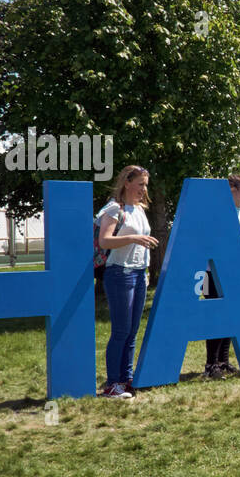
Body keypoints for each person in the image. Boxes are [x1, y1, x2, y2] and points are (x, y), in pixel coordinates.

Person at [96, 165, 159, 398]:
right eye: (141, 184)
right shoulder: (114, 209)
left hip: (139, 273)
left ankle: (126, 378)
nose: (144, 189)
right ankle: (113, 383)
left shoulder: (140, 209)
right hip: (119, 273)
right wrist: (133, 238)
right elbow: (104, 241)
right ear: (127, 183)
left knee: (132, 331)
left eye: (146, 185)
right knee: (121, 330)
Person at [203, 174, 240, 380]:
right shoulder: (218, 212)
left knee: (230, 315)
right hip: (212, 271)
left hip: (237, 271)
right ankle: (210, 364)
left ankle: (223, 361)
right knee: (216, 316)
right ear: (232, 189)